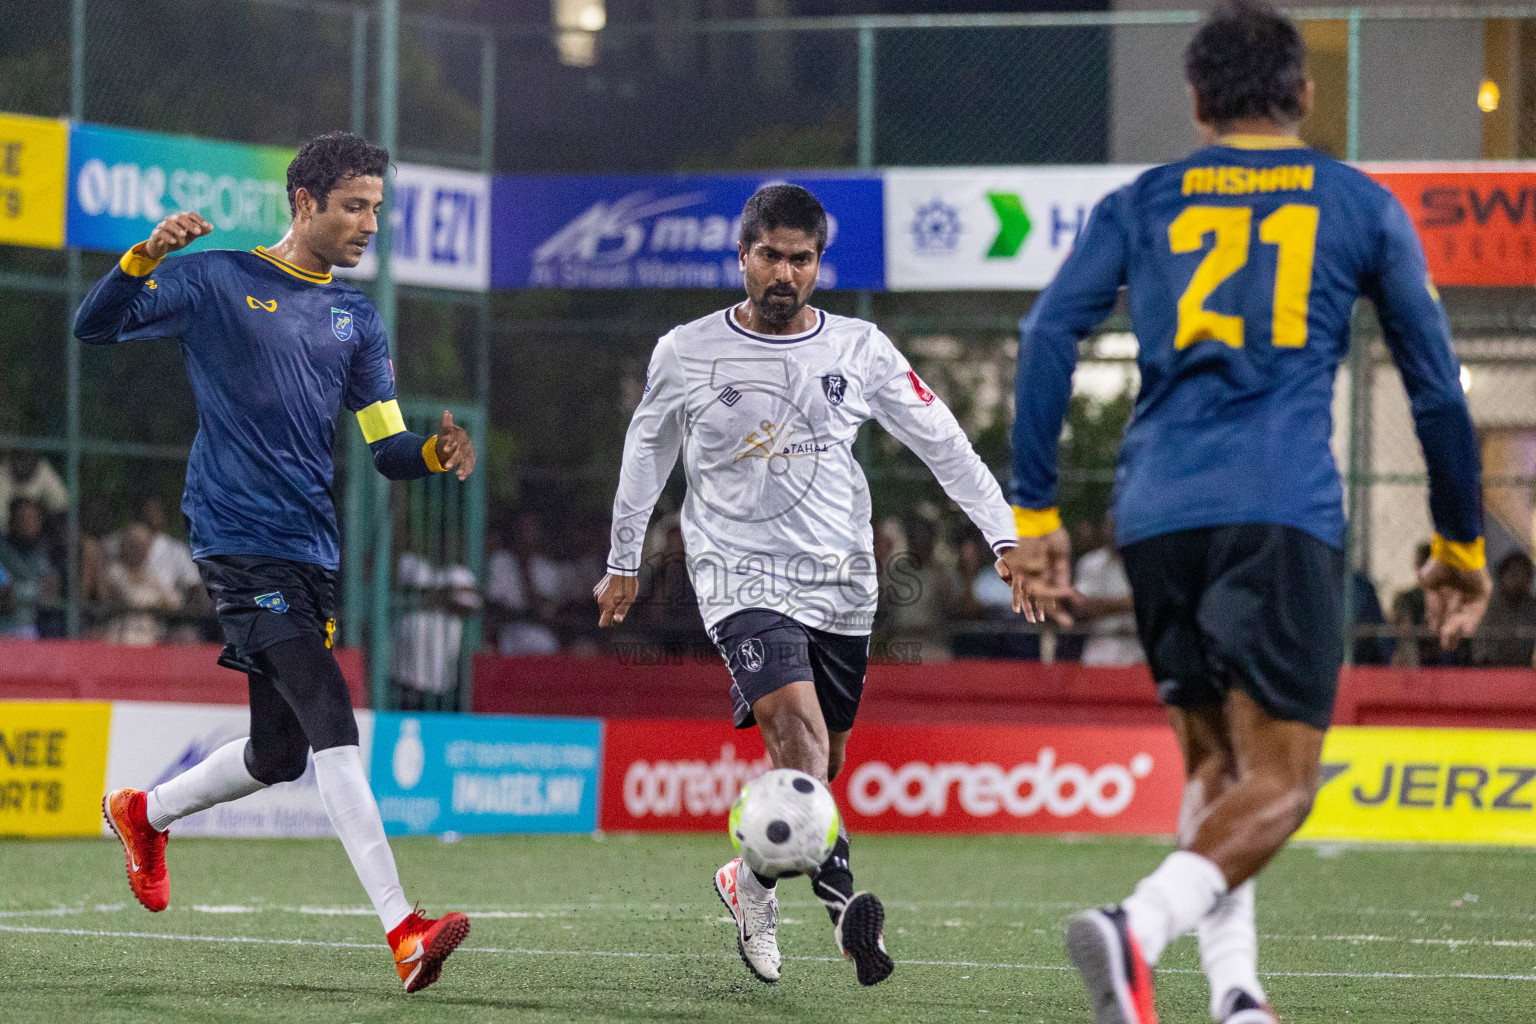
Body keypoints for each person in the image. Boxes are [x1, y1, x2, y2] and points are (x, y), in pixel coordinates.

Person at [1007, 6, 1492, 1023]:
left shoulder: (1143, 199)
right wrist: (1456, 542)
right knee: (1284, 779)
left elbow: (1048, 331)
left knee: (1218, 766)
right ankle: (1137, 931)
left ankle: (1236, 995)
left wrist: (1039, 507)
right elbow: (1440, 391)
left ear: (1196, 102)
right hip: (1277, 506)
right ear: (1305, 95)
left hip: (1154, 512)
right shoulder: (1356, 203)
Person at [594, 184, 1039, 989]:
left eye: (801, 260)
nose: (784, 274)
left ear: (819, 265)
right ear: (743, 256)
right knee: (795, 734)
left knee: (816, 768)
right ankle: (846, 920)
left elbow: (944, 445)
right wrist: (625, 557)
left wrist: (1005, 536)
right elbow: (645, 455)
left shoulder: (860, 349)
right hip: (737, 576)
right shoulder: (687, 352)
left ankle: (748, 881)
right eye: (770, 256)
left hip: (842, 583)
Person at [75, 132, 479, 994]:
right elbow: (94, 326)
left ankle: (141, 813)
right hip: (234, 537)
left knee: (279, 752)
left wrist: (435, 456)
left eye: (376, 207)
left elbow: (385, 448)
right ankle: (404, 930)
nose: (370, 223)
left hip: (310, 549)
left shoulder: (356, 319)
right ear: (304, 203)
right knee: (332, 709)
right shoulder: (217, 279)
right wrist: (144, 257)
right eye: (354, 206)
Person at [1069, 516, 1143, 667]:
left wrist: (1100, 606)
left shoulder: (1146, 562)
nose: (1112, 531)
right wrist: (1129, 603)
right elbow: (1080, 608)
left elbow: (1150, 605)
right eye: (1108, 525)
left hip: (1138, 657)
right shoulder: (1090, 562)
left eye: (1117, 525)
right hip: (1098, 656)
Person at [103, 522, 182, 645]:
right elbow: (134, 598)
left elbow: (175, 602)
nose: (136, 550)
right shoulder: (114, 571)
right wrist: (158, 599)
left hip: (150, 638)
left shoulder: (150, 575)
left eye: (141, 545)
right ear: (124, 545)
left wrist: (160, 599)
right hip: (122, 637)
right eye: (132, 544)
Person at [0, 497, 63, 640]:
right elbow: (5, 600)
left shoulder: (45, 552)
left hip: (33, 631)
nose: (27, 524)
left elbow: (50, 597)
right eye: (22, 518)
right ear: (12, 521)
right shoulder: (2, 549)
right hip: (4, 630)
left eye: (32, 518)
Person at [1470, 551, 1536, 667]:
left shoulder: (1533, 607)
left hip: (1528, 673)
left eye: (1525, 574)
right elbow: (1480, 652)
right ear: (1501, 577)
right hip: (1495, 674)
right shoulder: (1487, 607)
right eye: (1514, 574)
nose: (1519, 580)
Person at [0, 450, 67, 536]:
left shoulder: (43, 471)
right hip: (10, 539)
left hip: (41, 539)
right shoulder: (3, 472)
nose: (23, 465)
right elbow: (2, 524)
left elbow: (61, 507)